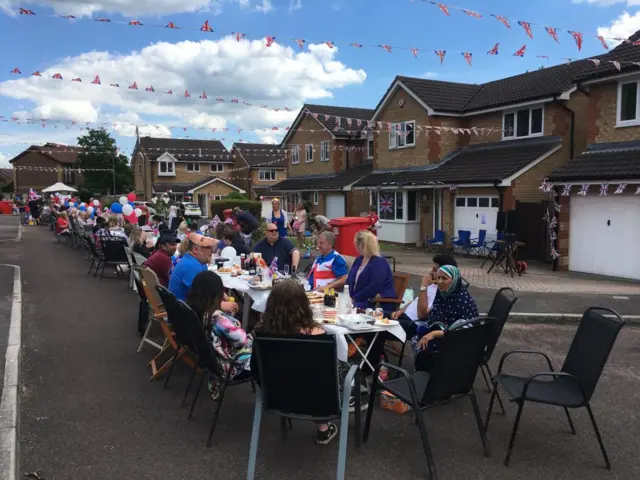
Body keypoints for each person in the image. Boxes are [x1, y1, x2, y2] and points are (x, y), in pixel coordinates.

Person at [252, 280, 344, 445]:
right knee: (343, 371)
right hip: (317, 400)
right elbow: (326, 377)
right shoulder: (318, 336)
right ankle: (323, 427)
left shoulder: (261, 333)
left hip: (276, 395)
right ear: (303, 304)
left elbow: (255, 368)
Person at [187, 271, 252, 399]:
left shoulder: (196, 311)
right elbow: (242, 339)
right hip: (229, 365)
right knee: (261, 346)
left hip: (212, 362)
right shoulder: (217, 318)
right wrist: (237, 325)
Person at [411, 265, 479, 372]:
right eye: (438, 278)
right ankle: (425, 375)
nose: (440, 282)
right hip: (444, 333)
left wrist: (434, 334)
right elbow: (433, 314)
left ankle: (432, 380)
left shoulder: (464, 301)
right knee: (418, 338)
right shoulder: (442, 294)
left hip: (459, 341)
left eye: (444, 278)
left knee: (426, 347)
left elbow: (463, 331)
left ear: (455, 280)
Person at [168, 232, 239, 314]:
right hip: (184, 314)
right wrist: (221, 305)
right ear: (195, 249)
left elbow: (210, 286)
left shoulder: (198, 262)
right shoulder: (190, 266)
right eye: (207, 247)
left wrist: (226, 297)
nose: (212, 250)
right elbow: (202, 297)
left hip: (188, 308)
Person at [391, 254, 458, 332]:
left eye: (434, 270)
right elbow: (416, 301)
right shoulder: (432, 284)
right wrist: (401, 310)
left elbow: (422, 315)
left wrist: (424, 285)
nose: (431, 272)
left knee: (378, 327)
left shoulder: (442, 292)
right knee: (376, 318)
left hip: (414, 323)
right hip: (404, 315)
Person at [346, 230, 395, 312]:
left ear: (362, 245)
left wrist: (354, 299)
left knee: (345, 309)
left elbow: (374, 287)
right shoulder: (359, 259)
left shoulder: (380, 262)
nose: (356, 247)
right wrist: (346, 296)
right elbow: (349, 280)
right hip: (358, 300)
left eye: (357, 244)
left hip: (374, 302)